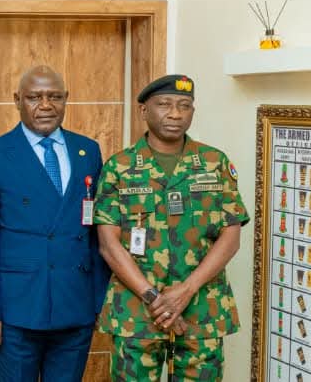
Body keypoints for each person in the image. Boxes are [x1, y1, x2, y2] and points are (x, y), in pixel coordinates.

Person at [94, 74, 247, 380]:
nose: (175, 114)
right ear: (144, 110)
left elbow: (230, 237)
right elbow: (109, 245)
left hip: (201, 309)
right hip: (136, 313)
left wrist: (185, 291)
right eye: (164, 104)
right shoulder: (119, 167)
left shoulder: (214, 162)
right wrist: (155, 299)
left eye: (184, 105)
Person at [0, 65, 108, 381]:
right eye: (34, 97)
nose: (45, 105)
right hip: (17, 309)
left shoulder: (87, 151)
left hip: (75, 304)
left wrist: (100, 301)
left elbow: (97, 234)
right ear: (17, 100)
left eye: (54, 97)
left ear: (66, 99)